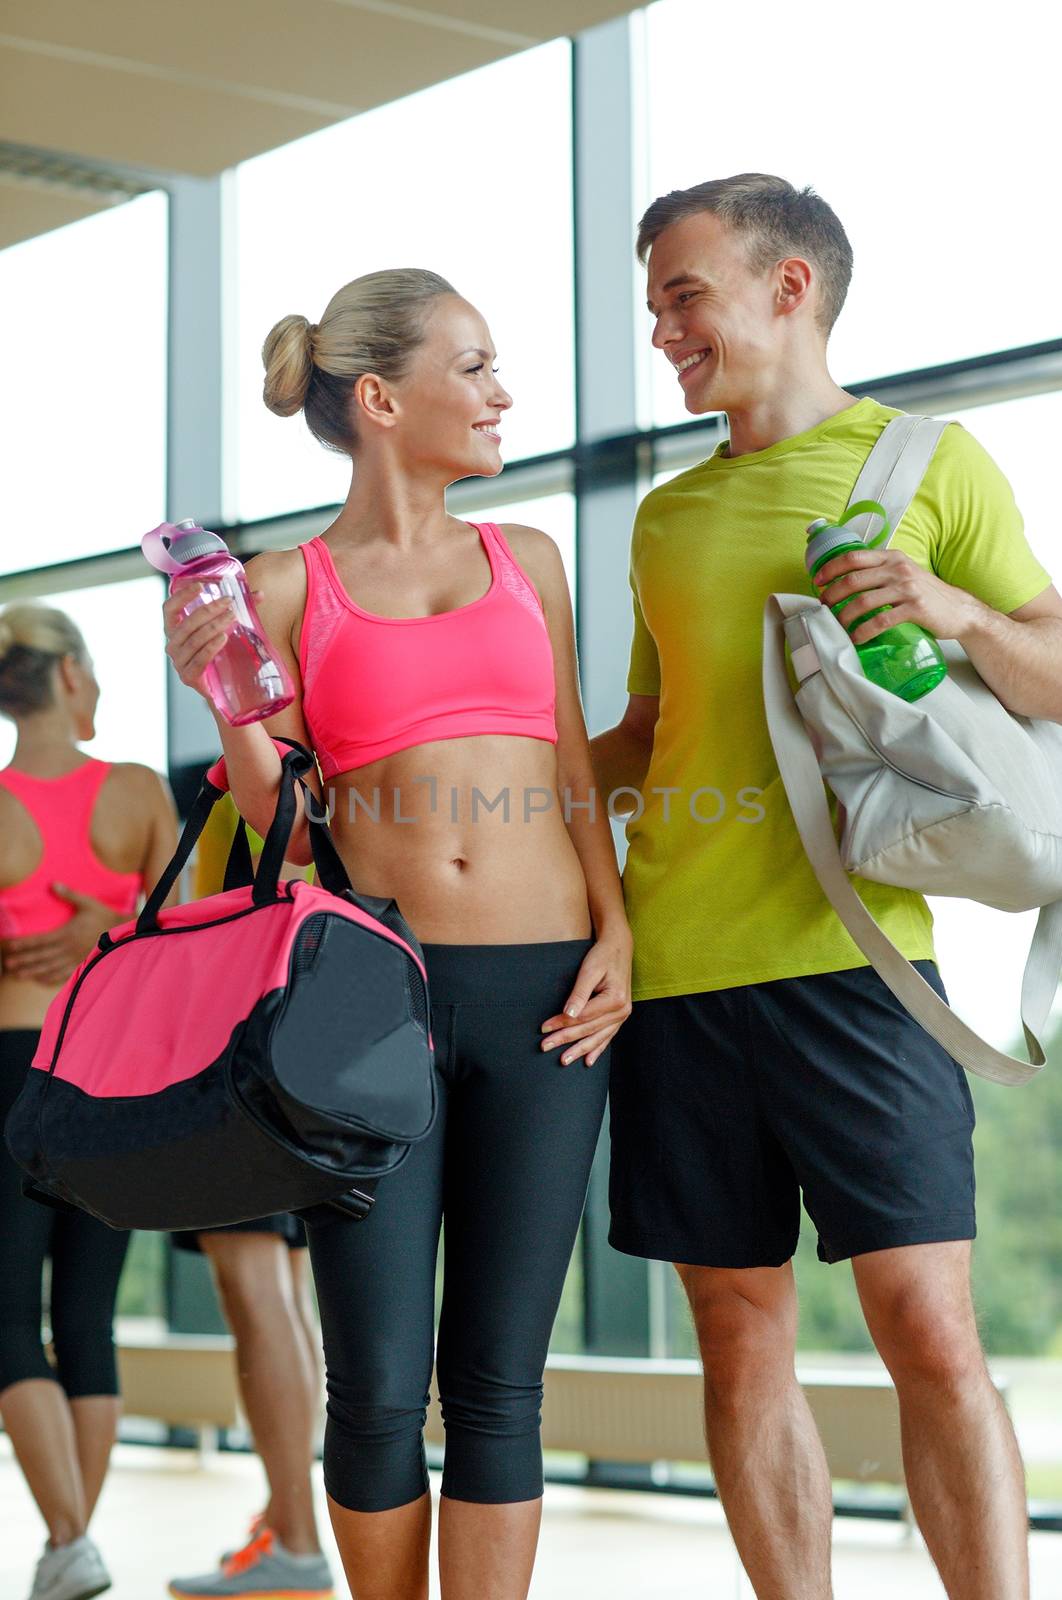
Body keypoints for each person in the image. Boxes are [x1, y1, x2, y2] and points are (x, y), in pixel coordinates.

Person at [593, 173, 1062, 1600]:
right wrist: (452, 768)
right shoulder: (666, 518)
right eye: (654, 300)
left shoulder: (927, 463)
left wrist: (961, 612)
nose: (662, 327)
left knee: (927, 1325)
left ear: (785, 286)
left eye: (685, 293)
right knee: (738, 1334)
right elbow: (641, 738)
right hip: (674, 976)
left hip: (860, 969)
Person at [163, 267, 632, 1600]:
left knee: (497, 1377)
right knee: (373, 1386)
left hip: (551, 996)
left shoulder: (526, 559)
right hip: (372, 1002)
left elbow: (566, 769)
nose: (500, 395)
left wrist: (618, 928)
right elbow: (283, 825)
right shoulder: (284, 584)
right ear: (379, 398)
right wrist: (225, 695)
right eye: (472, 368)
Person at [0, 603, 178, 1600]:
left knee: (9, 1316)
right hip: (111, 1074)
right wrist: (104, 930)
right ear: (67, 675)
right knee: (88, 1317)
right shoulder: (142, 794)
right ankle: (70, 1548)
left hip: (13, 1070)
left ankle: (70, 1538)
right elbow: (185, 941)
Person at [168, 796, 333, 1600]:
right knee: (285, 1297)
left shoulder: (258, 786)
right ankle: (287, 1517)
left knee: (254, 1290)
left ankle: (296, 1542)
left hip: (236, 1058)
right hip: (293, 1061)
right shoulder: (299, 778)